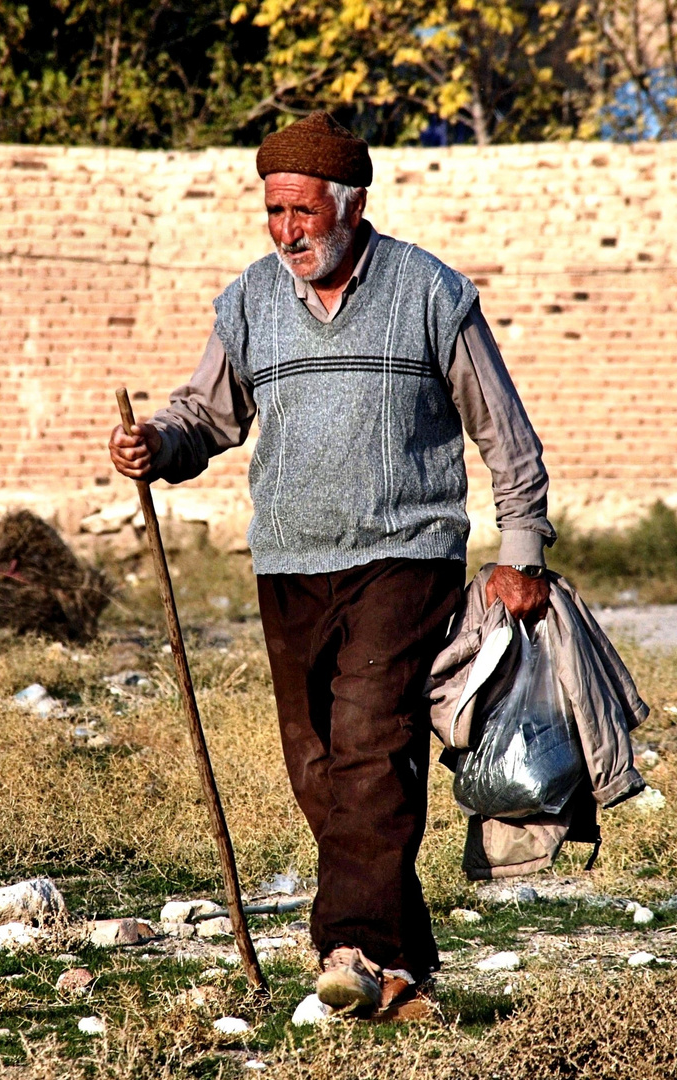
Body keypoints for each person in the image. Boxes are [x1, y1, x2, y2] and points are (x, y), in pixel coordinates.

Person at [107, 111, 554, 1017]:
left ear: (351, 204)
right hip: (290, 563)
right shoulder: (248, 302)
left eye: (303, 211)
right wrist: (156, 441)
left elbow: (502, 430)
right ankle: (404, 971)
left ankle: (348, 947)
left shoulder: (432, 293)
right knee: (315, 765)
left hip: (405, 555)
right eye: (274, 212)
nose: (287, 231)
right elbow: (208, 416)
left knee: (372, 750)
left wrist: (521, 550)